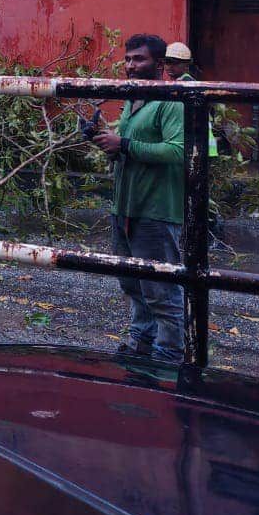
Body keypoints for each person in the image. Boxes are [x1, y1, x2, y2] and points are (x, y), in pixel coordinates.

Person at [91, 34, 185, 363]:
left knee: (161, 290)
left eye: (139, 59)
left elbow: (177, 151)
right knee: (132, 284)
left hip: (156, 210)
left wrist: (125, 145)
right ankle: (140, 343)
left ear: (159, 65)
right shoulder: (133, 101)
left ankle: (168, 357)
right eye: (128, 59)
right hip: (125, 207)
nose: (131, 66)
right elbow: (126, 150)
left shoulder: (171, 100)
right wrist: (105, 142)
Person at [165, 41, 219, 156]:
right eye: (167, 62)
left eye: (175, 63)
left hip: (192, 135)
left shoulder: (186, 84)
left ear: (186, 65)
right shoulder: (183, 82)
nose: (170, 66)